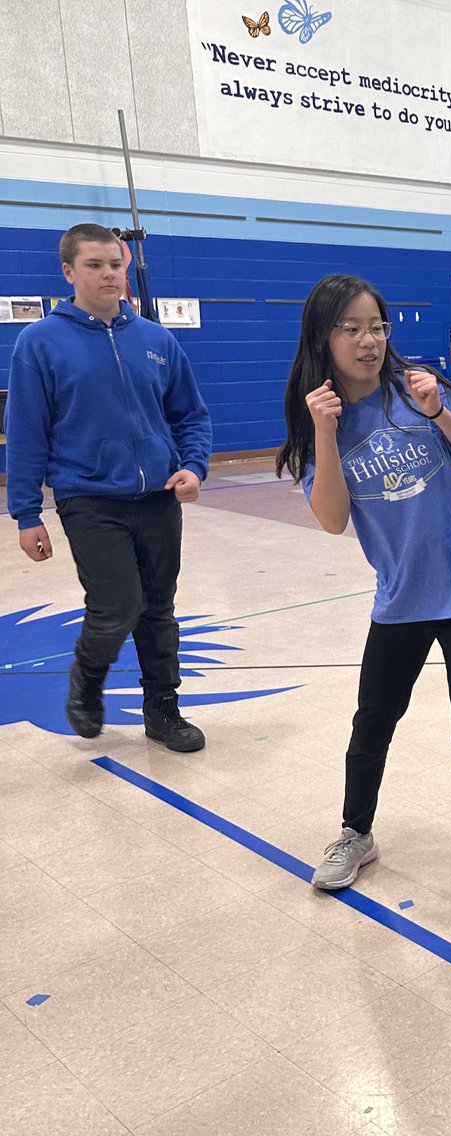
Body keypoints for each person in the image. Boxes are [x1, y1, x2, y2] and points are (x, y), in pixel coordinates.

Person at [276, 275, 451, 936]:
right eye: (352, 328)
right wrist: (326, 434)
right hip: (399, 599)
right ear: (323, 338)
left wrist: (438, 413)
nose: (369, 341)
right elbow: (333, 519)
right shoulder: (322, 422)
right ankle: (356, 834)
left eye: (378, 327)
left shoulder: (418, 388)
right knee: (372, 723)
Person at [5, 223, 211, 752]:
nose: (108, 274)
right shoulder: (40, 342)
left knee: (158, 609)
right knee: (118, 604)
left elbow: (190, 415)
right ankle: (87, 682)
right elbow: (27, 433)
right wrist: (27, 514)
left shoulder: (156, 339)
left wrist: (194, 466)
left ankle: (163, 711)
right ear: (69, 272)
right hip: (89, 499)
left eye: (116, 264)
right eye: (95, 265)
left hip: (159, 498)